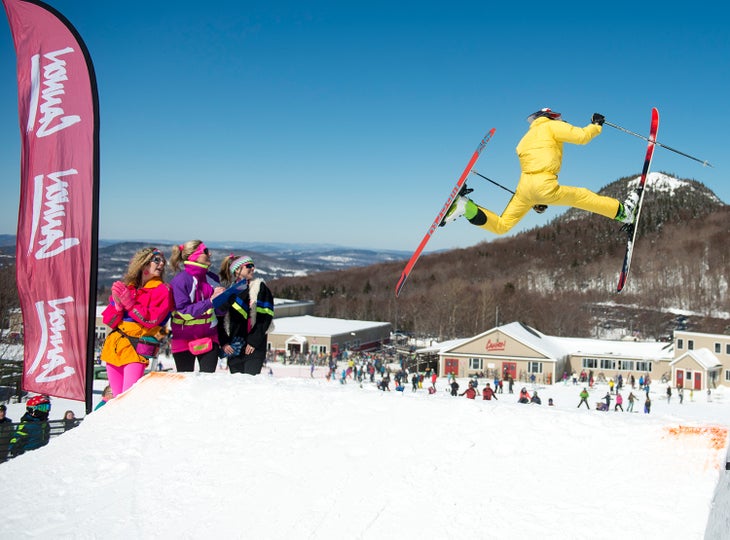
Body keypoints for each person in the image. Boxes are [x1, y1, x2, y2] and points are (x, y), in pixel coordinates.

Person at [441, 108, 639, 234]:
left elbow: (532, 166)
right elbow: (581, 137)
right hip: (543, 184)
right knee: (581, 196)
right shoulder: (552, 126)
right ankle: (623, 212)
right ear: (550, 116)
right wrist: (596, 125)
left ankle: (466, 207)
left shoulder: (524, 140)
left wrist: (536, 199)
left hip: (525, 189)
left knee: (502, 226)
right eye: (559, 118)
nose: (561, 120)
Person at [101, 247, 174, 396]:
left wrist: (131, 305)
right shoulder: (129, 288)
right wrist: (117, 306)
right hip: (114, 346)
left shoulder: (163, 290)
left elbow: (153, 320)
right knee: (116, 397)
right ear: (143, 263)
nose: (161, 264)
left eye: (163, 261)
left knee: (128, 396)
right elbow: (109, 321)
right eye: (156, 260)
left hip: (137, 347)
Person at [169, 240, 226, 373]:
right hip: (183, 340)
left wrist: (225, 300)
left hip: (209, 336)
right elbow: (184, 312)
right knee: (186, 381)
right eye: (205, 251)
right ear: (194, 255)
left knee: (208, 381)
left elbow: (218, 311)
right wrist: (210, 301)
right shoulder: (180, 280)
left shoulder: (212, 278)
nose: (210, 253)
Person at [217, 255, 274, 376]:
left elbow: (265, 316)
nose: (252, 268)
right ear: (237, 270)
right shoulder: (229, 291)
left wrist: (254, 341)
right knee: (237, 385)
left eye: (253, 266)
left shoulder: (259, 288)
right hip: (235, 347)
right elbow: (219, 319)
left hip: (253, 348)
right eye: (249, 266)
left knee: (250, 384)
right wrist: (224, 342)